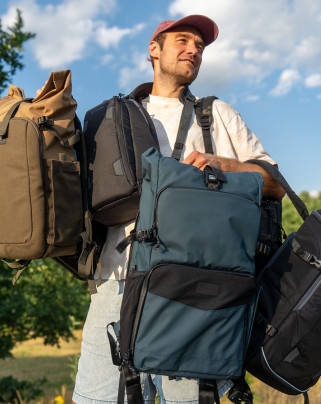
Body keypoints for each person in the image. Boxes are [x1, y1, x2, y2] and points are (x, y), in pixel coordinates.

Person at [71, 14, 285, 404]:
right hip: (115, 286)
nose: (193, 50)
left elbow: (275, 184)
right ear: (154, 50)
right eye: (182, 40)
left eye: (200, 46)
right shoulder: (109, 119)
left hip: (195, 292)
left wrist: (222, 164)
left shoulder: (217, 115)